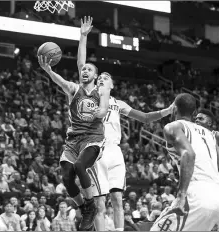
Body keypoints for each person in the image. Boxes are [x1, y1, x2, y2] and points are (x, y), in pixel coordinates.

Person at [77, 16, 174, 231]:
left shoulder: (118, 103)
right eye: (99, 76)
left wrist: (166, 111)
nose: (101, 77)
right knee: (100, 203)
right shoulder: (90, 94)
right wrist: (83, 37)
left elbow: (146, 118)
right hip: (96, 150)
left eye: (106, 76)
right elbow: (82, 65)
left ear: (112, 84)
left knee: (118, 200)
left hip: (115, 151)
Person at [38, 16, 111, 230]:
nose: (85, 70)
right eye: (84, 69)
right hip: (73, 140)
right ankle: (85, 207)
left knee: (80, 166)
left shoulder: (101, 91)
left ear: (96, 76)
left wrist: (101, 111)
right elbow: (63, 75)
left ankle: (91, 205)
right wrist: (49, 71)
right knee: (66, 176)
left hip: (93, 138)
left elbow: (104, 108)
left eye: (90, 69)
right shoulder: (73, 89)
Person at [150, 93, 219, 231]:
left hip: (197, 194)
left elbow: (189, 154)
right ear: (194, 112)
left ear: (174, 109)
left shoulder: (173, 127)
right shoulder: (210, 135)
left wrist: (180, 196)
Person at [195, 108, 219, 231]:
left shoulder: (216, 136)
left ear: (210, 123)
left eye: (200, 118)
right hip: (202, 183)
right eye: (195, 118)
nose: (196, 120)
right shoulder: (194, 136)